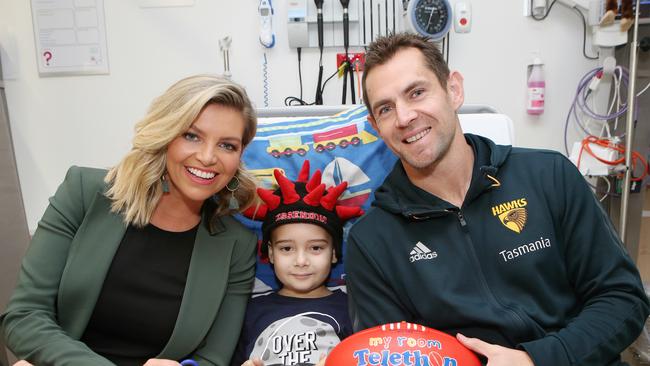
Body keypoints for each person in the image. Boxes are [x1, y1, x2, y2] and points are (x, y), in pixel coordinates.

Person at [345, 33, 650, 366]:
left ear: (454, 90)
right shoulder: (372, 242)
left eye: (417, 92)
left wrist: (538, 360)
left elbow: (623, 298)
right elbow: (387, 356)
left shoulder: (548, 177)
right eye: (386, 108)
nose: (404, 117)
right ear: (375, 126)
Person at [1, 74, 260, 366]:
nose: (208, 156)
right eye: (191, 136)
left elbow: (213, 358)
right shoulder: (84, 193)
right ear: (164, 135)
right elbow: (24, 316)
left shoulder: (237, 244)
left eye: (227, 145)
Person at [231, 160, 358, 366]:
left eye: (316, 248)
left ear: (334, 252)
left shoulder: (353, 308)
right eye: (286, 249)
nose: (301, 261)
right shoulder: (248, 311)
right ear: (271, 253)